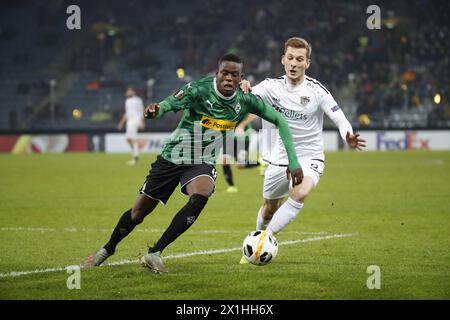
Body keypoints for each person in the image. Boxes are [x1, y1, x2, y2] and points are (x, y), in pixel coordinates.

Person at [85, 53, 303, 273]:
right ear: (217, 74)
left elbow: (280, 120)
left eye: (234, 75)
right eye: (224, 73)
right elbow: (170, 103)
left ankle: (155, 252)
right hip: (173, 157)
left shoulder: (244, 100)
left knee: (201, 195)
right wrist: (156, 110)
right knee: (138, 213)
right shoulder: (199, 89)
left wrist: (293, 161)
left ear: (241, 78)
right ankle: (108, 248)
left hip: (202, 161)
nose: (228, 78)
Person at [238, 37, 366, 263]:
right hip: (279, 157)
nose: (294, 63)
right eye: (290, 58)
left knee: (300, 192)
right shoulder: (271, 86)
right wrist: (245, 87)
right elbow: (248, 97)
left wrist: (348, 135)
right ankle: (258, 234)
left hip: (310, 156)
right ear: (282, 60)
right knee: (269, 208)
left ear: (308, 63)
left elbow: (339, 117)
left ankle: (261, 242)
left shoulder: (317, 91)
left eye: (299, 59)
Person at [221, 121, 259, 193]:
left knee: (240, 165)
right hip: (229, 137)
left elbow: (253, 115)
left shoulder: (246, 110)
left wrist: (243, 124)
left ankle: (260, 163)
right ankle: (231, 186)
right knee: (225, 161)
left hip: (243, 138)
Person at [117, 87, 145, 166]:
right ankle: (135, 156)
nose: (127, 92)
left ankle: (135, 158)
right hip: (129, 122)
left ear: (133, 92)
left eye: (129, 91)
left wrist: (142, 121)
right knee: (129, 139)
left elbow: (141, 111)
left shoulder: (138, 100)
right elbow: (127, 113)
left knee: (132, 139)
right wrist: (121, 123)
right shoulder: (127, 101)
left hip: (135, 121)